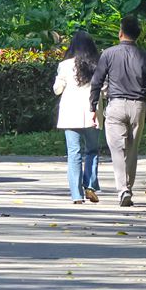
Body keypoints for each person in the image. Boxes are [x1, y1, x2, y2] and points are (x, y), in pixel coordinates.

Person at [90, 16, 146, 207]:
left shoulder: (109, 54)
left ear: (120, 32)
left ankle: (123, 190)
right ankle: (127, 187)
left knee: (117, 150)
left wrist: (93, 107)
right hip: (137, 106)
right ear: (138, 35)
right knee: (132, 149)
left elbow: (96, 82)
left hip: (115, 105)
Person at [55, 30, 101, 204]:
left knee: (74, 153)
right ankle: (90, 185)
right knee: (92, 151)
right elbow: (104, 88)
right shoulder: (98, 63)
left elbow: (57, 89)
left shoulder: (65, 65)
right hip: (92, 112)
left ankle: (76, 194)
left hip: (70, 113)